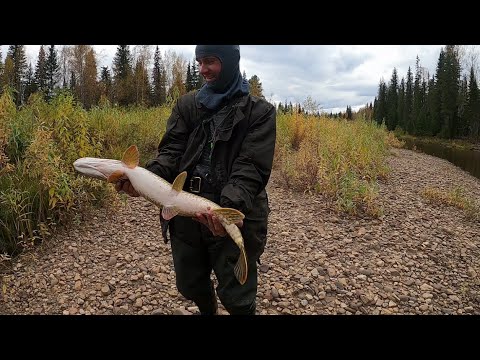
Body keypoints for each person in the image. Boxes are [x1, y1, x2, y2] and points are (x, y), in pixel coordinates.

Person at [115, 45, 276, 315]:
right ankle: (207, 309)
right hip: (184, 213)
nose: (203, 70)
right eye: (199, 62)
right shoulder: (187, 105)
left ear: (229, 61)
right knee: (190, 284)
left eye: (210, 61)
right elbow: (170, 152)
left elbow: (251, 168)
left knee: (238, 293)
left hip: (233, 211)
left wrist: (226, 212)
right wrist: (146, 181)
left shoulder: (259, 112)